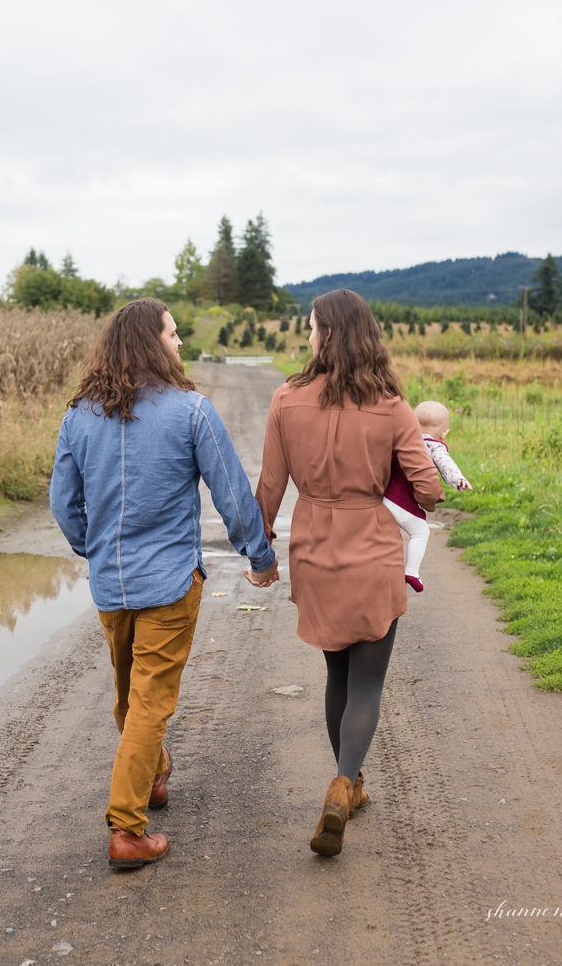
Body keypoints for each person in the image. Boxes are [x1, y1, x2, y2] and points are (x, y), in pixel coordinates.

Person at [50, 298, 278, 869]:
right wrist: (260, 555)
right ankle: (126, 830)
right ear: (153, 344)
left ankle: (152, 775)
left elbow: (63, 503)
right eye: (173, 335)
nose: (180, 344)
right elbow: (230, 491)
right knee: (147, 703)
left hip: (111, 584)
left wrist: (92, 546)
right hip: (171, 582)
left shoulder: (79, 415)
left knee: (131, 698)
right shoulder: (192, 411)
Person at [253, 289, 442, 857]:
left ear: (327, 334)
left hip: (313, 546)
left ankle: (350, 784)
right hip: (372, 548)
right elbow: (429, 490)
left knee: (338, 675)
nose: (308, 335)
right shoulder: (391, 405)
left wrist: (261, 549)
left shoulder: (286, 398)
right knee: (368, 682)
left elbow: (269, 487)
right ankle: (343, 784)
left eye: (311, 327)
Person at [381, 399, 473, 593]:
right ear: (444, 433)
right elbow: (445, 464)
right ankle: (412, 571)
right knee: (420, 532)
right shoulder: (434, 446)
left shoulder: (400, 440)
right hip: (404, 505)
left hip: (385, 500)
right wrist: (458, 479)